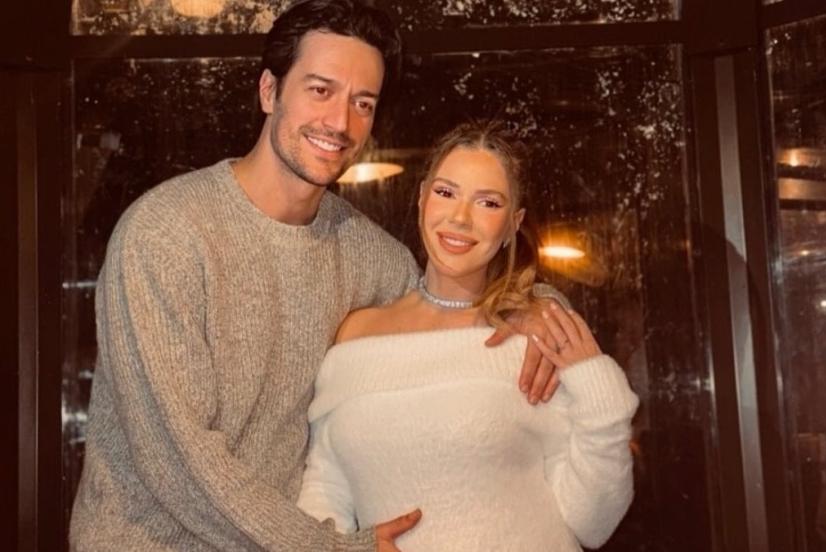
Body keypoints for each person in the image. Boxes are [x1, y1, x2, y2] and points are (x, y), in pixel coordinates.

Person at [69, 1, 563, 550]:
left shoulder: (372, 258)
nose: (340, 123)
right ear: (269, 91)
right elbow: (176, 462)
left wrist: (535, 306)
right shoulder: (165, 234)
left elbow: (451, 303)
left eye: (362, 103)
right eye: (320, 90)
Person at [297, 121, 640, 551]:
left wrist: (599, 390)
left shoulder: (533, 339)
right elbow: (325, 487)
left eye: (488, 202)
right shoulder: (355, 335)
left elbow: (593, 522)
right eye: (446, 192)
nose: (460, 217)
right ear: (422, 198)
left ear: (513, 224)